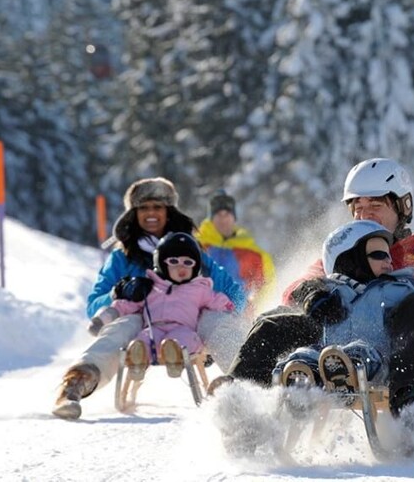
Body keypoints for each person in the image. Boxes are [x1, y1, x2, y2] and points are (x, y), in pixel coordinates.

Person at [211, 158, 414, 397]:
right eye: (357, 207)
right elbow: (297, 288)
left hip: (400, 366)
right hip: (335, 355)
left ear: (403, 206)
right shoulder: (343, 253)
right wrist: (311, 294)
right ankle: (241, 402)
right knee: (274, 321)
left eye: (376, 205)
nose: (364, 214)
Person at [52, 177, 247, 420]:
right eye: (143, 208)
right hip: (140, 321)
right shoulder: (123, 257)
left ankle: (251, 380)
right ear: (133, 214)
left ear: (169, 212)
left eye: (158, 207)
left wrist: (217, 314)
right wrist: (119, 292)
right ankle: (77, 383)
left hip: (189, 319)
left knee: (215, 319)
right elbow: (94, 307)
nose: (151, 213)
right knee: (121, 326)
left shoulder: (188, 251)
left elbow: (234, 294)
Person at [273, 220, 414, 416]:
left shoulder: (399, 288)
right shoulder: (326, 293)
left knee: (362, 353)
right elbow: (294, 296)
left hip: (380, 365)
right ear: (350, 259)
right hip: (327, 360)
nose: (389, 261)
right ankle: (266, 395)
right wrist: (309, 293)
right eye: (379, 254)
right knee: (283, 332)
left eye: (389, 255)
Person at [95, 232, 236, 380]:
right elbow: (129, 305)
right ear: (162, 264)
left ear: (195, 267)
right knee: (142, 340)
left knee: (184, 340)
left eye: (188, 263)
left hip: (183, 328)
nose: (181, 267)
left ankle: (175, 358)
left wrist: (230, 308)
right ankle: (138, 361)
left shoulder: (199, 289)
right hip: (153, 329)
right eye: (174, 261)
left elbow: (216, 300)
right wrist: (111, 313)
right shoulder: (150, 288)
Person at [196, 189, 276, 309]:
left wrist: (255, 309)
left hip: (237, 315)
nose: (223, 219)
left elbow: (267, 284)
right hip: (201, 313)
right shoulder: (197, 246)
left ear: (234, 218)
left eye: (227, 214)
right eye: (218, 215)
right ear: (211, 219)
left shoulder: (250, 251)